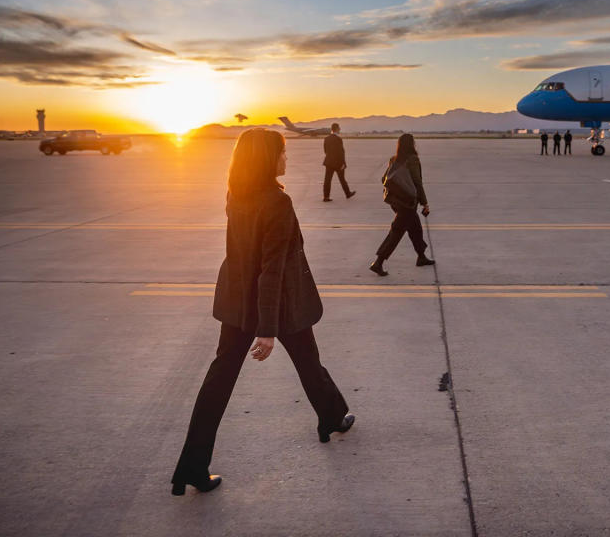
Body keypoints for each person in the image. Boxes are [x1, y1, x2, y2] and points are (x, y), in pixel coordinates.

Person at [172, 128, 354, 497]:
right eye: (281, 153)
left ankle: (191, 466)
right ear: (266, 159)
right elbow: (272, 268)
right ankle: (332, 418)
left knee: (218, 381)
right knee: (308, 362)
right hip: (280, 303)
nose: (286, 159)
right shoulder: (276, 202)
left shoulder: (236, 193)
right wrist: (267, 328)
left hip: (237, 301)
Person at [370, 133, 433, 276]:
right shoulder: (413, 160)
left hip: (397, 202)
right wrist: (425, 203)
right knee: (396, 231)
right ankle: (378, 262)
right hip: (408, 203)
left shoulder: (394, 159)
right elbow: (417, 183)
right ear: (412, 144)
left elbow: (383, 179)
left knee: (415, 228)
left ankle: (421, 257)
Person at [322, 123, 355, 201]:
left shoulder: (326, 138)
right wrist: (343, 163)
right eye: (339, 128)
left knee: (327, 180)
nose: (340, 129)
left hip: (329, 162)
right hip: (338, 163)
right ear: (336, 129)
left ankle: (326, 197)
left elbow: (325, 150)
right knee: (342, 179)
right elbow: (341, 153)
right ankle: (348, 194)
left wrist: (330, 157)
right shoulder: (338, 139)